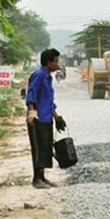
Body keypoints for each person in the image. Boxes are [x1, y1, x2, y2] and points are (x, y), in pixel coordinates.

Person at [26, 48, 67, 189]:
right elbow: (31, 93)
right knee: (38, 148)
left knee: (45, 148)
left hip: (46, 118)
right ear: (49, 62)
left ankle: (42, 177)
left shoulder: (48, 77)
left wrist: (57, 117)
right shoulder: (39, 75)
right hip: (37, 119)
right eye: (56, 61)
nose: (57, 64)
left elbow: (48, 101)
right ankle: (36, 179)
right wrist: (32, 112)